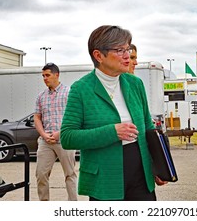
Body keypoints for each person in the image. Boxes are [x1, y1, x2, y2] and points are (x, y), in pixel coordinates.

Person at [61, 25, 167, 201]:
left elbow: (148, 127)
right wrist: (112, 132)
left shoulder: (135, 84)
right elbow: (67, 137)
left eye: (127, 49)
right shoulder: (80, 89)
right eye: (120, 50)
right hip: (105, 178)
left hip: (141, 173)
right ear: (98, 55)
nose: (127, 56)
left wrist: (157, 166)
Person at [34, 62, 77, 201]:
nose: (45, 78)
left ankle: (73, 207)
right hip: (46, 141)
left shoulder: (69, 92)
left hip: (65, 139)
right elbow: (37, 118)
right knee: (41, 174)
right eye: (43, 76)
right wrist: (44, 135)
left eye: (47, 75)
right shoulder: (41, 96)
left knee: (70, 174)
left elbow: (74, 117)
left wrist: (60, 133)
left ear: (56, 75)